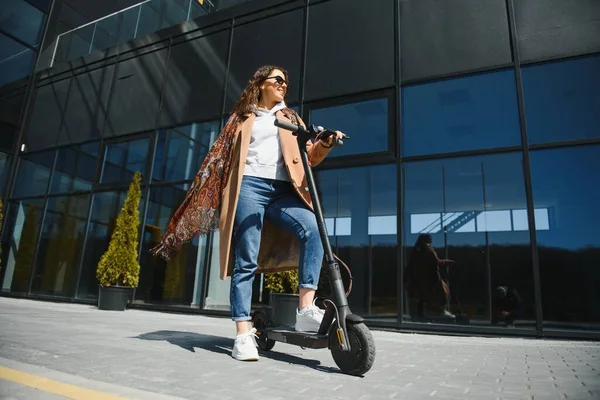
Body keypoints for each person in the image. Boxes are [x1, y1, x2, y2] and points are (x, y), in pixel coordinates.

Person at [150, 65, 345, 361]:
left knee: (313, 229)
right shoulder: (242, 118)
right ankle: (243, 332)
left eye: (286, 81)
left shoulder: (290, 117)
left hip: (283, 190)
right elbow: (220, 158)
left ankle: (306, 309)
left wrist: (325, 143)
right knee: (246, 259)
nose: (283, 84)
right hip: (249, 187)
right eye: (277, 79)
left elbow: (309, 158)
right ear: (261, 83)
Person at [404, 234, 455, 319]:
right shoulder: (429, 250)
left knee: (422, 297)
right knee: (442, 293)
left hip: (419, 279)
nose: (431, 241)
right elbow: (436, 262)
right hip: (431, 278)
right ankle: (439, 312)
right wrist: (447, 262)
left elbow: (410, 265)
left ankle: (420, 315)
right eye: (429, 239)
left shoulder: (416, 251)